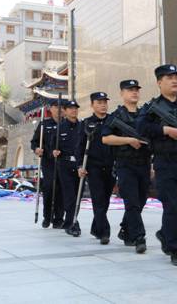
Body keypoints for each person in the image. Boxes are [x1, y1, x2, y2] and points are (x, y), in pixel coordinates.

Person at [137, 64, 177, 266]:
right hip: (164, 162)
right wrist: (164, 130)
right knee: (171, 206)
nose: (174, 81)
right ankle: (176, 249)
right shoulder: (151, 107)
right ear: (159, 82)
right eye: (169, 78)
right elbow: (140, 126)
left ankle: (165, 233)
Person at [102, 80, 151, 254]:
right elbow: (106, 139)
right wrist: (128, 140)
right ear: (122, 93)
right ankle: (139, 237)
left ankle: (125, 228)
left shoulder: (145, 114)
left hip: (144, 164)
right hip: (125, 164)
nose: (134, 93)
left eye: (136, 90)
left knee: (141, 201)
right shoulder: (116, 116)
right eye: (130, 90)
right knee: (131, 202)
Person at [76, 92, 116, 245]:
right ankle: (104, 232)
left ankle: (96, 227)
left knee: (105, 201)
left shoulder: (113, 121)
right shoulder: (86, 123)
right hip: (93, 168)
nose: (103, 105)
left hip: (110, 167)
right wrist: (80, 165)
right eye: (99, 102)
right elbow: (79, 146)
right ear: (92, 105)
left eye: (105, 102)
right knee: (98, 200)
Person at [30, 99, 64, 229]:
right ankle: (47, 216)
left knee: (61, 189)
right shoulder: (44, 124)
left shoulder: (67, 124)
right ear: (51, 109)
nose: (59, 109)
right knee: (49, 188)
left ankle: (59, 218)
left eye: (61, 107)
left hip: (63, 162)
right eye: (56, 107)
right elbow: (34, 142)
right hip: (48, 162)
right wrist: (36, 149)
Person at [52, 100, 81, 236]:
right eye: (70, 108)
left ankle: (72, 220)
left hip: (80, 165)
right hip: (64, 165)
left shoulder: (83, 127)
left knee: (78, 195)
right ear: (65, 111)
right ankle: (71, 223)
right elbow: (52, 146)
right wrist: (54, 151)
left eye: (75, 108)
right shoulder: (59, 128)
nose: (73, 111)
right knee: (69, 195)